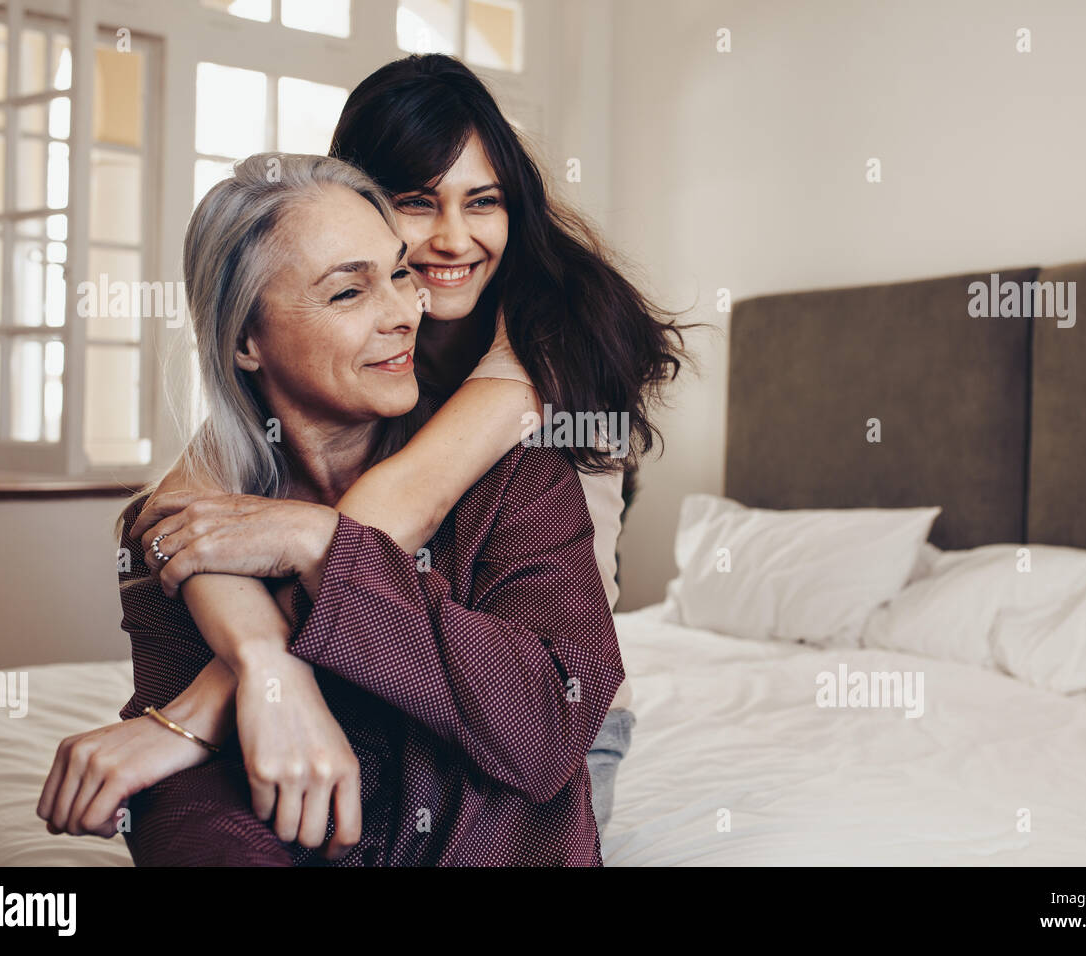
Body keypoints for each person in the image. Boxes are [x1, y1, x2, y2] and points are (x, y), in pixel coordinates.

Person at [131, 54, 688, 833]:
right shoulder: (372, 332)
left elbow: (405, 506)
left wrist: (214, 699)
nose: (453, 239)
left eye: (483, 202)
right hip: (400, 671)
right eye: (418, 203)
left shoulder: (548, 336)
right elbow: (183, 510)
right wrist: (258, 663)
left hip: (546, 706)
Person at [37, 154, 624, 865]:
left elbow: (543, 729)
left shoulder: (521, 481)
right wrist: (261, 678)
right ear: (246, 341)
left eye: (399, 274)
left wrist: (323, 544)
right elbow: (189, 803)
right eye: (348, 293)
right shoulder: (190, 530)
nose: (406, 314)